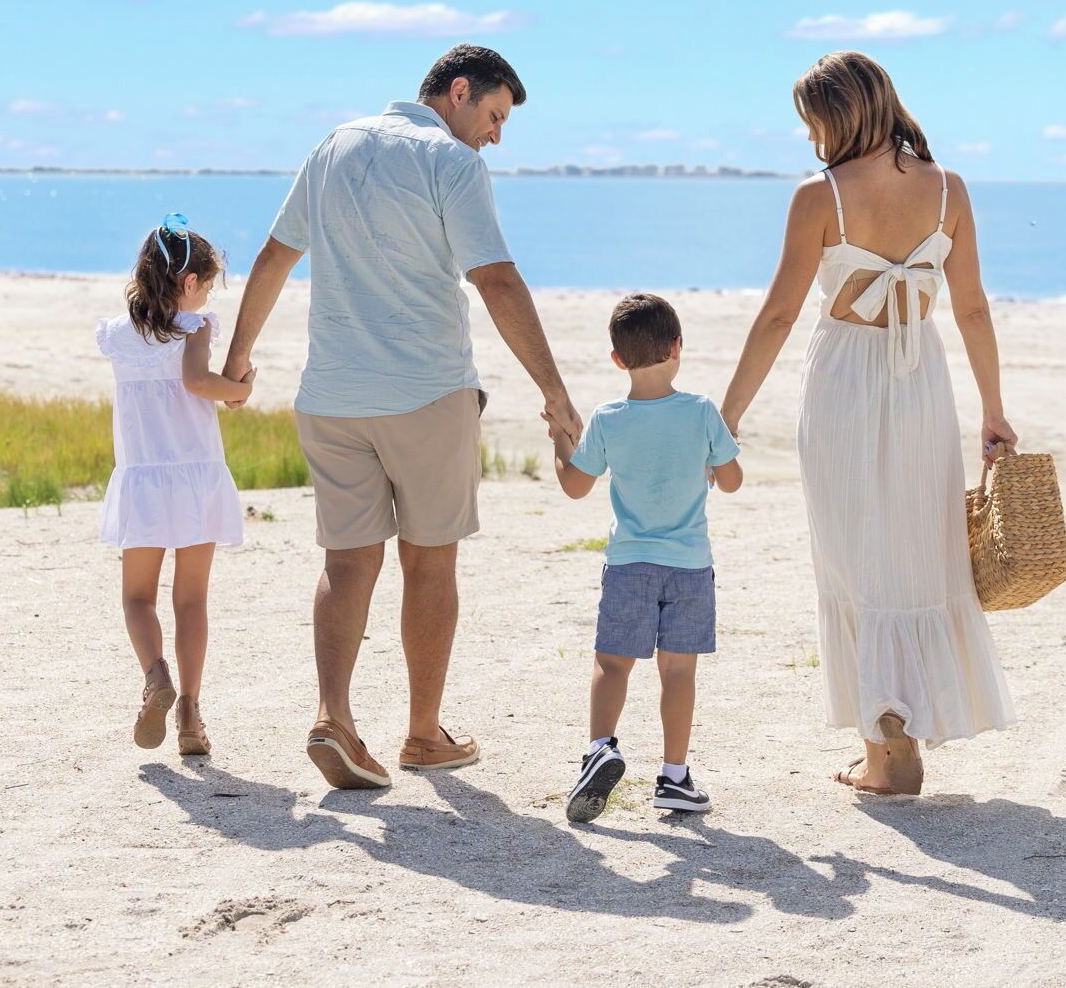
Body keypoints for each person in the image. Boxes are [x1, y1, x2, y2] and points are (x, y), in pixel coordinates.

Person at [222, 44, 582, 790]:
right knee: (430, 558)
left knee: (347, 560)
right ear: (456, 92)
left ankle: (334, 717)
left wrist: (237, 362)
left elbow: (275, 254)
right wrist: (553, 388)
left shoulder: (333, 145)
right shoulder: (450, 163)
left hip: (331, 396)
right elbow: (497, 279)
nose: (495, 135)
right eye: (493, 114)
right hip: (425, 392)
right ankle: (422, 734)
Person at [720, 52, 1016, 796]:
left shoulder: (819, 196)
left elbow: (780, 315)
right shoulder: (949, 189)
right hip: (924, 383)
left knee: (853, 553)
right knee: (920, 549)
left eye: (812, 119)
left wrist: (726, 416)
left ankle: (885, 745)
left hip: (845, 381)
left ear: (836, 114)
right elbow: (974, 308)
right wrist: (993, 410)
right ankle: (900, 732)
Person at [553, 293, 742, 822]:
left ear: (617, 359)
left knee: (613, 663)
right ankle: (674, 778)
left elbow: (574, 487)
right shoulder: (702, 411)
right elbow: (731, 482)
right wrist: (715, 455)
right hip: (688, 566)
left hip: (629, 563)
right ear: (678, 347)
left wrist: (558, 441)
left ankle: (599, 750)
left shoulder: (608, 418)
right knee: (678, 672)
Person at [96, 214, 252, 758]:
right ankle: (189, 712)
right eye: (207, 285)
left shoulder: (117, 335)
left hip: (141, 479)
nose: (208, 295)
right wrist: (237, 389)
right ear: (189, 284)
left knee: (137, 597)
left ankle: (154, 674)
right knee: (191, 599)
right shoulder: (196, 328)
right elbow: (194, 381)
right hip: (195, 478)